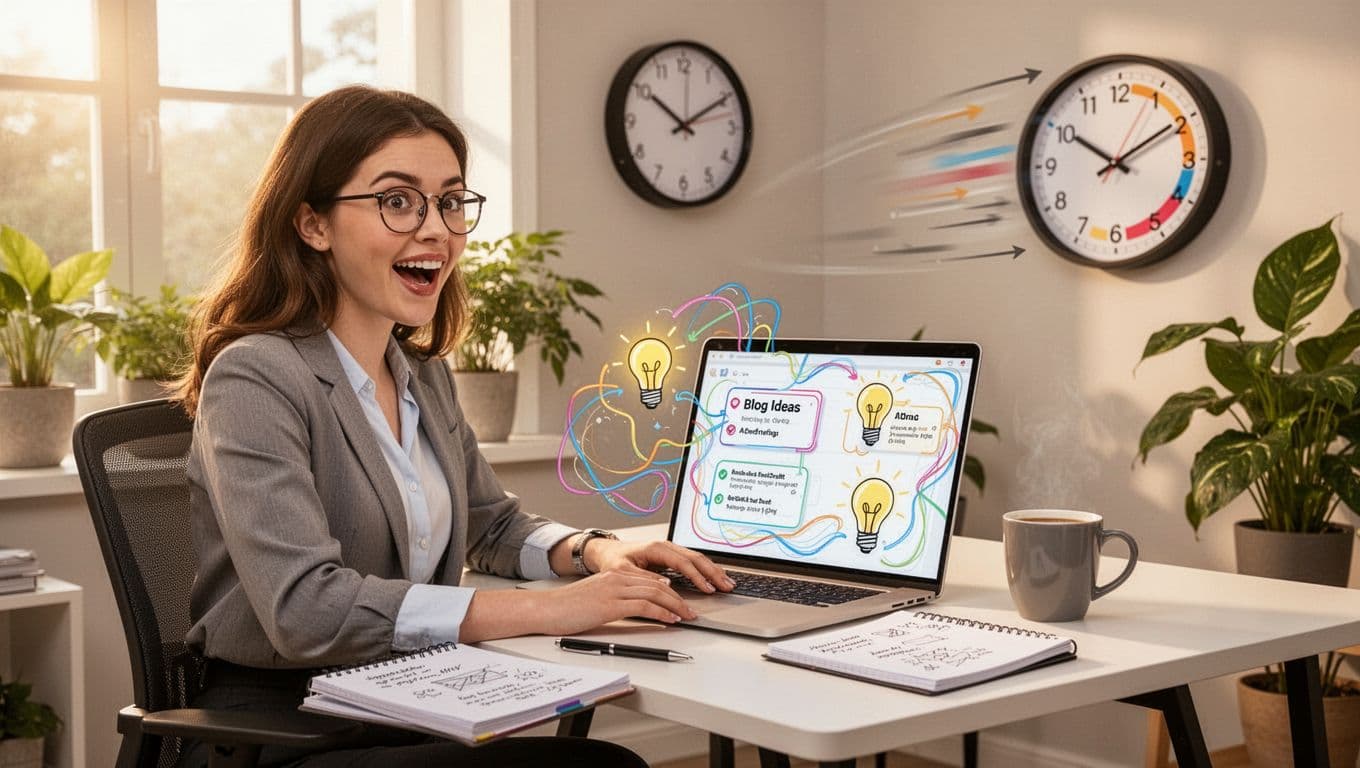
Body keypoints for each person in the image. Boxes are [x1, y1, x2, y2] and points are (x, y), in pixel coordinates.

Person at [173, 84, 733, 767]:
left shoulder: (421, 374)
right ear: (313, 224)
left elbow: (491, 525)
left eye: (449, 200)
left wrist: (596, 553)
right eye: (397, 201)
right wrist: (552, 610)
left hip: (404, 699)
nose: (436, 228)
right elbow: (305, 611)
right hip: (284, 730)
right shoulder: (256, 376)